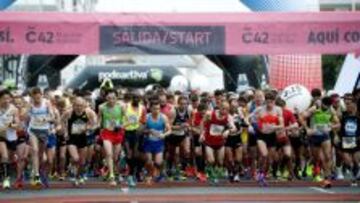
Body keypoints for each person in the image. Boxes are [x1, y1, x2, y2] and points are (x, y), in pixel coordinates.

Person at [301, 96, 340, 188]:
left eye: (328, 105)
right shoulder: (315, 108)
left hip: (325, 136)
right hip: (314, 136)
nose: (326, 107)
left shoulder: (331, 110)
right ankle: (316, 171)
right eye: (324, 105)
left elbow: (338, 123)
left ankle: (326, 178)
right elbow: (302, 117)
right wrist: (307, 129)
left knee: (327, 156)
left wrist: (331, 127)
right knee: (317, 158)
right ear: (321, 102)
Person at [63, 97, 97, 186]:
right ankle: (72, 165)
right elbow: (61, 121)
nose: (79, 107)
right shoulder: (69, 113)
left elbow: (95, 124)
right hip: (72, 139)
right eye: (77, 105)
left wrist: (88, 128)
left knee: (82, 162)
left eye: (81, 106)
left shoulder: (89, 112)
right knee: (76, 158)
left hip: (83, 139)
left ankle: (78, 176)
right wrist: (65, 131)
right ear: (73, 105)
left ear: (84, 105)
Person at [200, 101, 236, 184]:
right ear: (219, 107)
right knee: (211, 160)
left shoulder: (228, 117)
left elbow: (234, 128)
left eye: (227, 109)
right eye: (223, 108)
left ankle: (214, 172)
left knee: (220, 162)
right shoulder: (210, 114)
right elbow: (202, 123)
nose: (224, 111)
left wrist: (228, 131)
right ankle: (212, 175)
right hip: (209, 141)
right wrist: (202, 134)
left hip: (220, 142)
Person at [27, 87, 56, 187]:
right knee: (34, 150)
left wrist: (45, 119)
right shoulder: (30, 104)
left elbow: (52, 117)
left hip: (44, 131)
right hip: (33, 130)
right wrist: (27, 110)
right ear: (32, 97)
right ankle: (36, 175)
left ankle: (38, 170)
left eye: (39, 97)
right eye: (35, 98)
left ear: (42, 95)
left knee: (40, 155)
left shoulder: (46, 103)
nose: (37, 100)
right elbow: (26, 117)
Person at [255, 92, 284, 186]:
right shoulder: (260, 109)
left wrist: (273, 127)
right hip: (261, 135)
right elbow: (250, 118)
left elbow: (282, 125)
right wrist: (253, 124)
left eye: (271, 102)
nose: (269, 104)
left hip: (272, 136)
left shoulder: (278, 110)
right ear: (265, 101)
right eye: (267, 102)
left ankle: (263, 174)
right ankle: (259, 171)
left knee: (269, 160)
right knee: (264, 154)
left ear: (274, 102)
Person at [98, 89, 125, 186]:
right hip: (107, 133)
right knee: (109, 154)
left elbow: (125, 119)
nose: (111, 100)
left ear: (117, 98)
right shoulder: (101, 107)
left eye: (113, 98)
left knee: (115, 156)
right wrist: (97, 127)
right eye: (109, 98)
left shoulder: (121, 106)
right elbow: (99, 120)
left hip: (118, 133)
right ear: (106, 98)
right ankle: (112, 176)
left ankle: (107, 168)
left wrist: (121, 125)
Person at [142, 100, 172, 184]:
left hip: (159, 142)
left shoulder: (163, 117)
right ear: (150, 109)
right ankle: (149, 175)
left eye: (158, 109)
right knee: (148, 161)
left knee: (158, 162)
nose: (156, 111)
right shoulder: (147, 117)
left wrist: (164, 135)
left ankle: (160, 172)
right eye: (154, 109)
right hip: (148, 142)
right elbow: (141, 130)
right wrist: (148, 131)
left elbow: (169, 130)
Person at [123, 92, 146, 187]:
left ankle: (134, 173)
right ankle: (130, 174)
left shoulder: (142, 108)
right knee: (129, 155)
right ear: (131, 98)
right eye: (134, 97)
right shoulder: (125, 107)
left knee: (137, 155)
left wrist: (140, 128)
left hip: (137, 134)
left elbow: (143, 122)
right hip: (126, 133)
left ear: (140, 99)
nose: (136, 99)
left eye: (138, 98)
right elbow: (120, 119)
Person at [339, 94, 360, 186]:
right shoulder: (343, 115)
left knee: (356, 160)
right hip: (346, 139)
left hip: (357, 138)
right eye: (348, 104)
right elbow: (338, 125)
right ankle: (354, 175)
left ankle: (355, 177)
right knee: (349, 161)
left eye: (351, 104)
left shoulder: (359, 115)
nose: (349, 106)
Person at [0, 89, 19, 189]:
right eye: (3, 98)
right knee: (5, 156)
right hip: (0, 136)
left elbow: (17, 124)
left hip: (11, 136)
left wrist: (10, 125)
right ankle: (6, 180)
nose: (6, 100)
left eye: (8, 98)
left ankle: (3, 173)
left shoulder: (14, 109)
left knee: (9, 159)